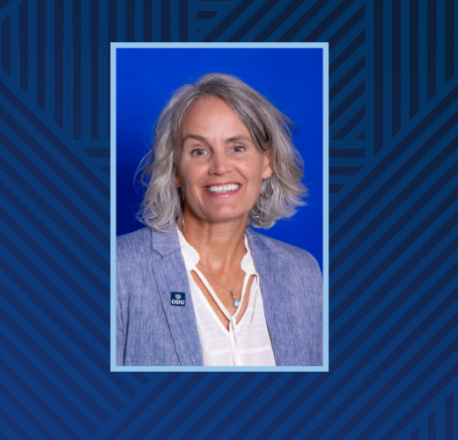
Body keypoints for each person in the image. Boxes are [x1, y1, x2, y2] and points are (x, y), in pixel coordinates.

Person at [116, 73, 322, 367]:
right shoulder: (118, 270)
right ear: (175, 170)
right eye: (199, 151)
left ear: (267, 162)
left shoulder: (302, 273)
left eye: (237, 147)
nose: (220, 167)